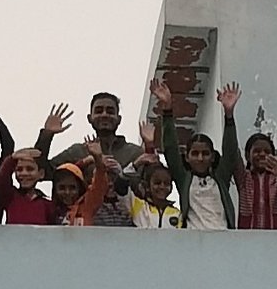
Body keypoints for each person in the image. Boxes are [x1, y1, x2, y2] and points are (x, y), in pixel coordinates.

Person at [155, 78, 242, 229]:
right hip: (192, 243)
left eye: (205, 153)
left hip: (223, 239)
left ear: (212, 157)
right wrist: (167, 111)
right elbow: (171, 150)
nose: (200, 158)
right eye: (195, 153)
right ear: (187, 157)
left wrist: (229, 116)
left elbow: (230, 152)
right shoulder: (184, 179)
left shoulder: (220, 177)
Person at [46, 92, 142, 170]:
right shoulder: (77, 152)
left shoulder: (134, 153)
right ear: (89, 118)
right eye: (99, 111)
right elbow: (43, 172)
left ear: (119, 119)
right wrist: (47, 134)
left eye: (110, 111)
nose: (104, 115)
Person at [0, 147, 59, 225]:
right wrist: (12, 158)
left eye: (30, 169)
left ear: (41, 174)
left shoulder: (47, 204)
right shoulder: (11, 197)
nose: (24, 173)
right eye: (19, 169)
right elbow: (1, 179)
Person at [131, 162, 183, 228]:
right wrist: (137, 163)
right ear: (147, 186)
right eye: (157, 183)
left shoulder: (177, 214)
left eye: (166, 183)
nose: (162, 187)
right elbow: (121, 186)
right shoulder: (138, 206)